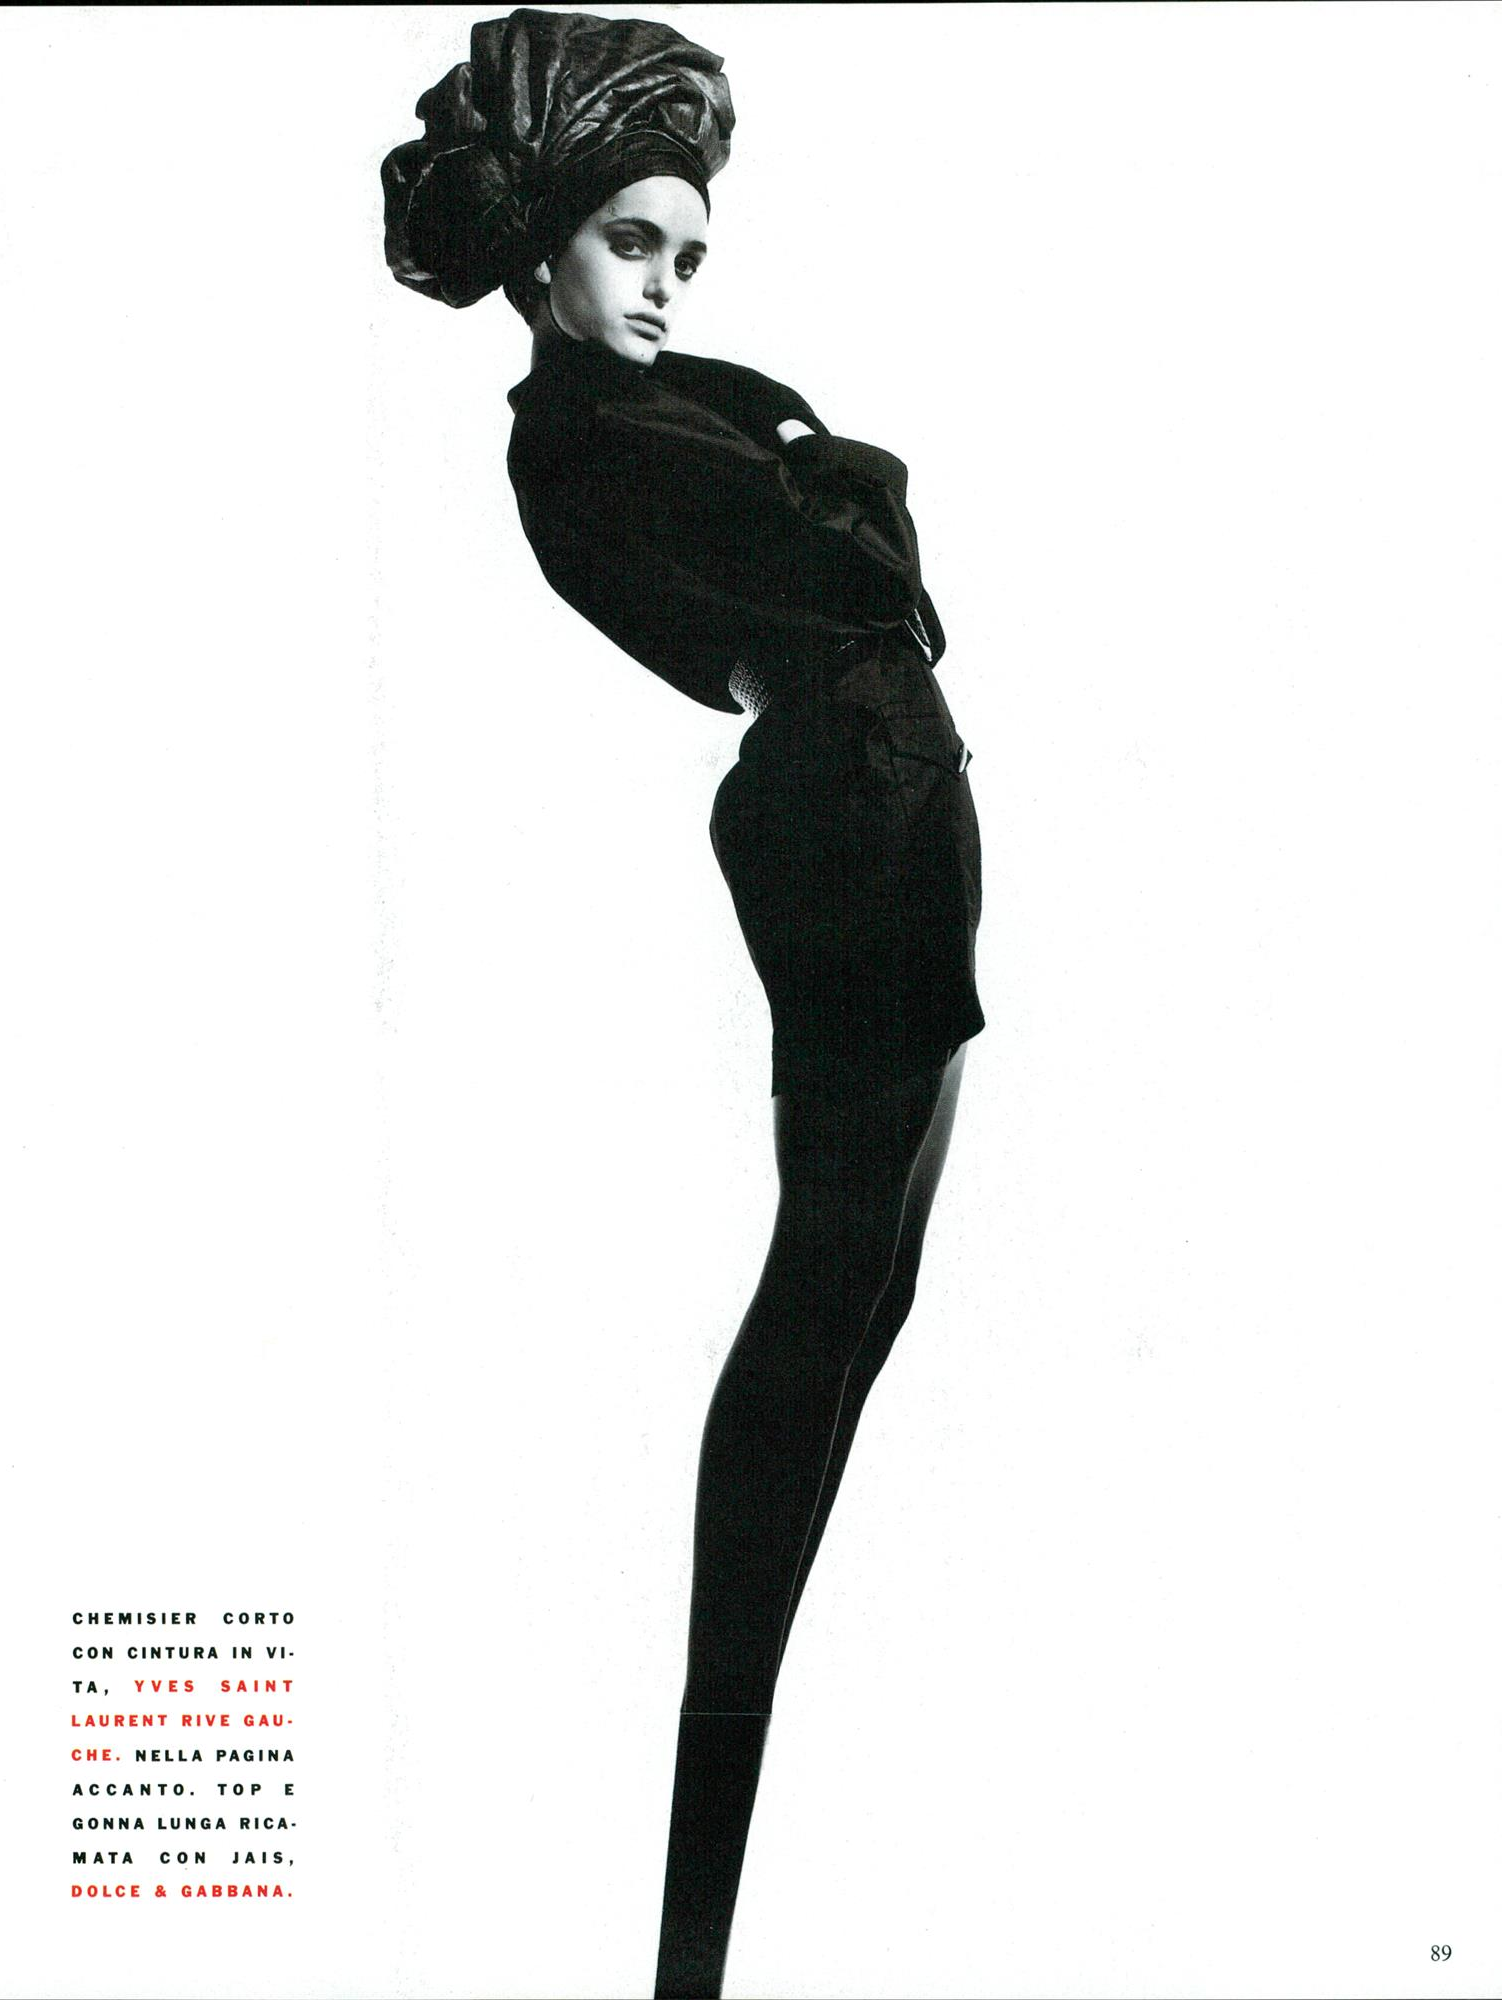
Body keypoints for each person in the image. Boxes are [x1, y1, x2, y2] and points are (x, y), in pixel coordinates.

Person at [382, 12, 984, 1994]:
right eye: (632, 243)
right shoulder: (583, 440)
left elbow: (856, 530)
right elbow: (859, 556)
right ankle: (697, 1891)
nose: (661, 286)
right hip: (842, 817)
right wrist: (834, 470)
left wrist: (830, 477)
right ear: (542, 244)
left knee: (863, 1295)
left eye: (687, 257)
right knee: (825, 1296)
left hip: (879, 803)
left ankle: (712, 1839)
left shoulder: (665, 404)